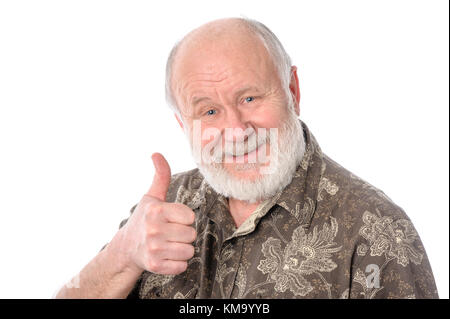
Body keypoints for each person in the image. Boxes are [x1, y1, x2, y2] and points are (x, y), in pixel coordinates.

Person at [55, 17, 438, 299]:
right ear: (183, 124)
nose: (236, 131)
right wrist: (122, 254)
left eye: (250, 98)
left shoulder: (375, 230)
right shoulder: (162, 209)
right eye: (208, 112)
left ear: (292, 89)